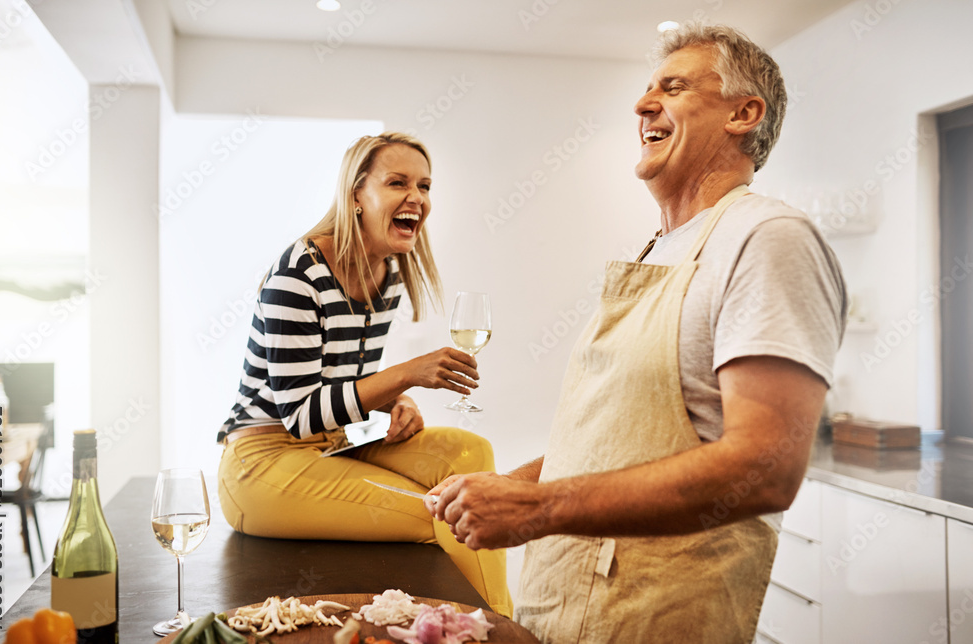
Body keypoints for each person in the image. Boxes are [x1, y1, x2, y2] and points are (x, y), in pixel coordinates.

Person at [426, 23, 847, 643]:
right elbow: (616, 439)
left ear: (744, 113)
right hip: (565, 602)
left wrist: (537, 509)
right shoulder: (656, 250)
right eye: (647, 89)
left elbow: (766, 468)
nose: (642, 105)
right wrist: (517, 484)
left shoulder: (767, 238)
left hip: (659, 616)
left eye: (672, 88)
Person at [216, 132, 513, 617]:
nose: (416, 198)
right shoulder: (300, 274)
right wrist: (405, 376)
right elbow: (301, 415)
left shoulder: (389, 275)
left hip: (332, 443)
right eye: (397, 182)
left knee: (469, 452)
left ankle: (487, 622)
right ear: (357, 194)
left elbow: (342, 388)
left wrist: (397, 402)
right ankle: (495, 626)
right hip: (262, 462)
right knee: (445, 511)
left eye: (425, 186)